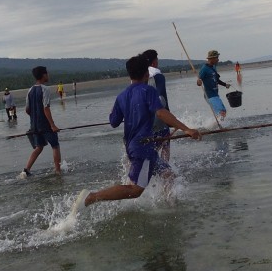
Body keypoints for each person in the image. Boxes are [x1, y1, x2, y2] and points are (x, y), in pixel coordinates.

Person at [77, 55, 201, 208]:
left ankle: (171, 206)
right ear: (147, 74)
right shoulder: (148, 91)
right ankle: (92, 197)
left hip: (136, 146)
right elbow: (161, 113)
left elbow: (113, 122)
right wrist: (187, 129)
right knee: (135, 190)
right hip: (143, 147)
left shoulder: (121, 96)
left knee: (168, 175)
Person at [20, 66, 62, 177]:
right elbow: (46, 108)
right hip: (45, 124)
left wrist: (35, 118)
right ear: (43, 75)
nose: (48, 75)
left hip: (34, 125)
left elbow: (27, 110)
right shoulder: (45, 89)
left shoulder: (30, 90)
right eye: (47, 73)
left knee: (39, 147)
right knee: (55, 146)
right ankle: (58, 171)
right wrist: (52, 125)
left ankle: (26, 170)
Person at [141, 49, 171, 161]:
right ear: (154, 62)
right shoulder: (158, 75)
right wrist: (169, 117)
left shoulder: (139, 75)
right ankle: (165, 169)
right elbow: (161, 98)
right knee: (165, 142)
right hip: (158, 116)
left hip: (144, 119)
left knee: (151, 146)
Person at [196, 50, 231, 120]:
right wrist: (199, 82)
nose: (218, 59)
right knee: (221, 112)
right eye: (216, 58)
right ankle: (218, 126)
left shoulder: (213, 67)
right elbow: (199, 81)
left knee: (223, 111)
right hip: (209, 95)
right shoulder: (204, 69)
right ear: (211, 58)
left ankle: (216, 125)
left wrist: (225, 85)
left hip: (215, 94)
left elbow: (216, 80)